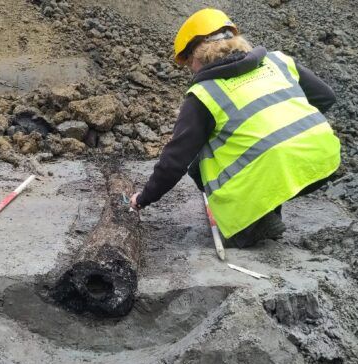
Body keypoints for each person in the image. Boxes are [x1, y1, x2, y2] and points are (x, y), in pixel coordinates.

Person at [129, 8, 341, 248]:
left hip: (278, 169)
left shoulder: (204, 95)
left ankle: (251, 224)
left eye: (188, 62)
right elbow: (326, 97)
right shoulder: (278, 61)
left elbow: (175, 160)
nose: (190, 69)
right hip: (322, 160)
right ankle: (267, 209)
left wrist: (143, 198)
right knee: (261, 146)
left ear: (196, 56)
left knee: (202, 159)